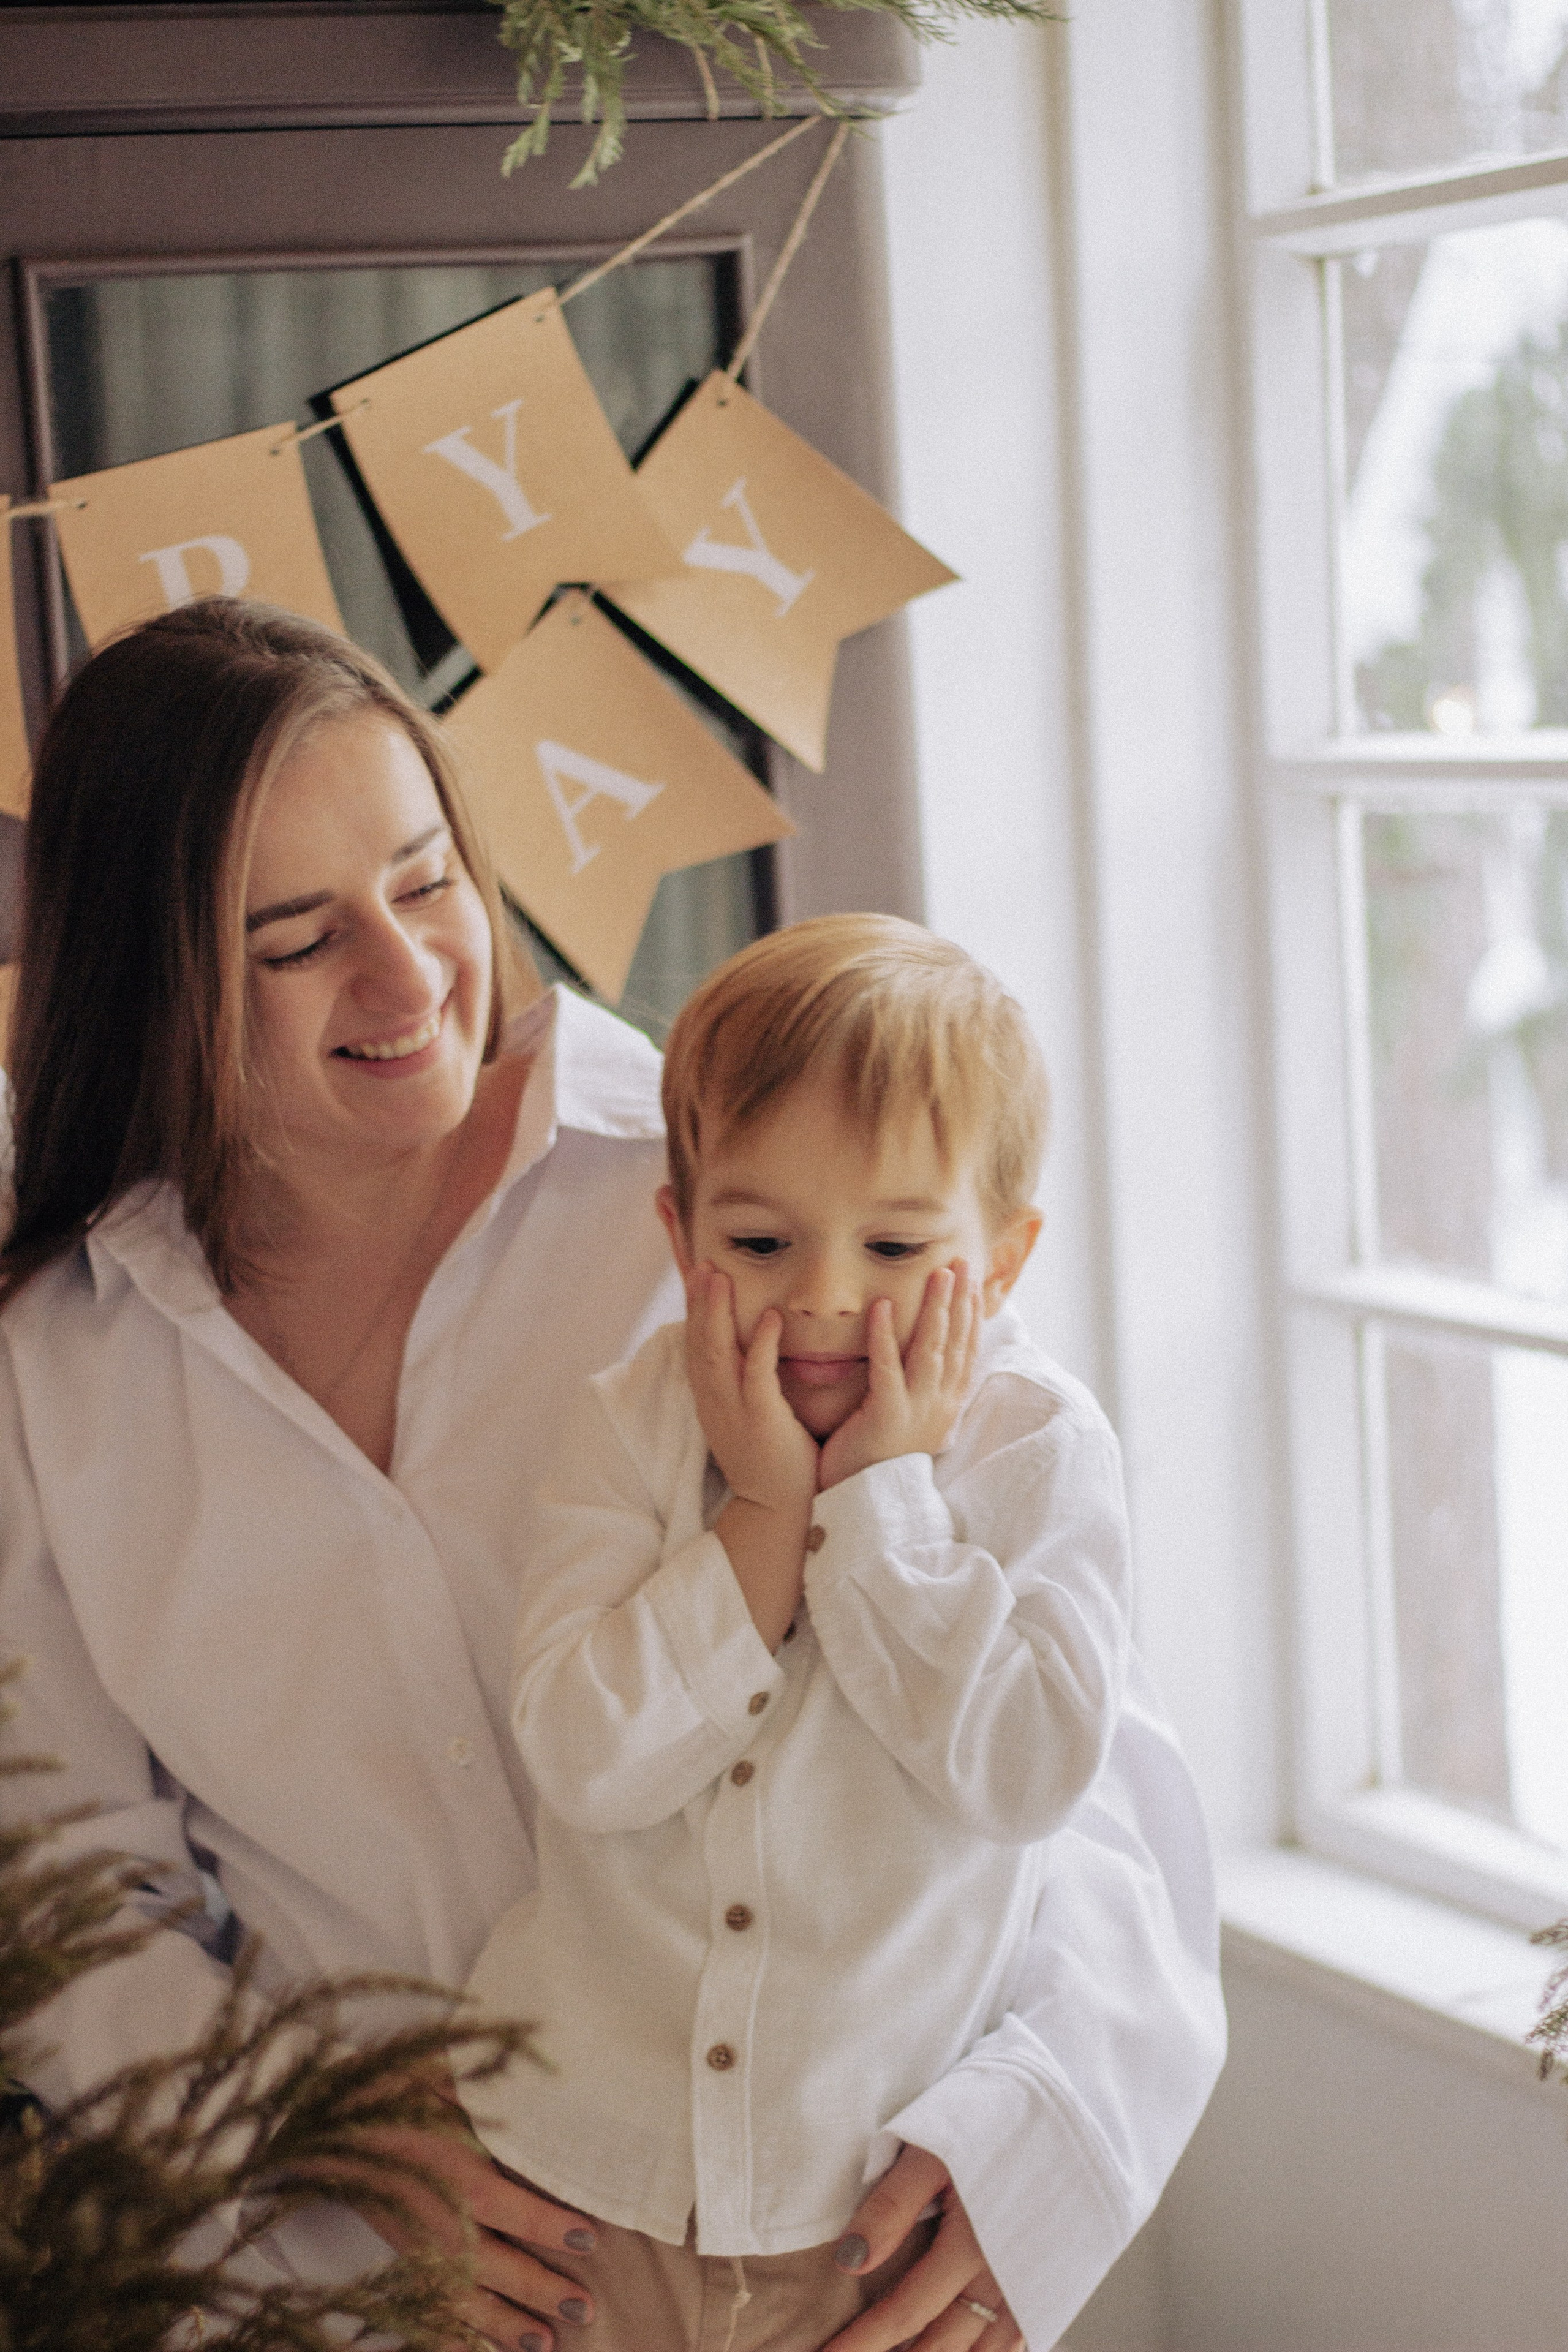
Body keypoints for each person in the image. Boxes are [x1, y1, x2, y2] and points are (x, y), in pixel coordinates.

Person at [0, 598, 1223, 2352]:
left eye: (426, 883)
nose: (411, 978)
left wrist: (1050, 2136)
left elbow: (1085, 1732)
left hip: (836, 2259)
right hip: (375, 2303)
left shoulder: (755, 1200)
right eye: (294, 940)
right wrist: (311, 2142)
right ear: (156, 975)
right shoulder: (58, 1378)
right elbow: (66, 1894)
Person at [462, 917, 1140, 2351]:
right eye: (759, 1240)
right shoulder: (628, 1425)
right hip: (589, 2187)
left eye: (896, 1244)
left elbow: (1028, 1771)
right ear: (679, 1231)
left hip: (861, 2221)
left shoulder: (1036, 1454)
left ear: (1002, 1259)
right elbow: (583, 1755)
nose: (825, 1296)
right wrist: (764, 1515)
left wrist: (878, 1505)